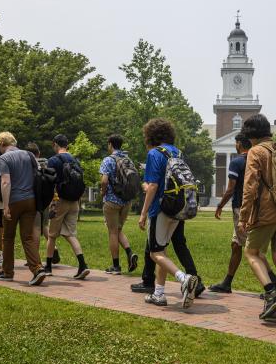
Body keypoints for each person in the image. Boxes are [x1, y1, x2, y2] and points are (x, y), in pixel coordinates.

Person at [237, 114, 276, 324]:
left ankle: (272, 294)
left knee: (251, 253)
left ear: (252, 135)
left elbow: (250, 186)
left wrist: (244, 216)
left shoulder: (257, 151)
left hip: (268, 211)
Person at [138, 118, 200, 308]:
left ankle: (184, 279)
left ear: (151, 135)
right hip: (178, 207)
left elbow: (153, 186)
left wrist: (143, 213)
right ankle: (159, 294)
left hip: (160, 208)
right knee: (162, 251)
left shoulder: (154, 154)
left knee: (155, 253)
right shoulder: (177, 152)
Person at [210, 133, 276, 294]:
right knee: (236, 245)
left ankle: (273, 285)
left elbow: (231, 188)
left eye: (236, 143)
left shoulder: (237, 162)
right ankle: (227, 283)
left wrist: (220, 205)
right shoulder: (258, 160)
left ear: (239, 144)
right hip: (258, 207)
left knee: (253, 249)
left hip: (242, 209)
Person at [0, 131, 48, 286]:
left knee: (8, 237)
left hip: (14, 201)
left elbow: (5, 183)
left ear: (2, 144)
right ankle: (37, 268)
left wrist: (5, 206)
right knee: (27, 237)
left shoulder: (4, 158)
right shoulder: (29, 155)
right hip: (31, 200)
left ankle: (8, 272)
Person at [45, 134, 90, 280]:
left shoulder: (53, 160)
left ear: (55, 144)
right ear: (67, 145)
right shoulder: (75, 160)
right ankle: (83, 265)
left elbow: (49, 183)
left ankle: (48, 267)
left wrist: (51, 203)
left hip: (61, 200)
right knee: (70, 234)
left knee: (52, 236)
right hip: (74, 202)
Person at [99, 134, 138, 274]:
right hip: (126, 201)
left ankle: (115, 266)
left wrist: (103, 193)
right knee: (118, 230)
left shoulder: (108, 160)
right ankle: (130, 253)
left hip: (112, 201)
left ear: (110, 144)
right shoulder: (127, 159)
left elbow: (104, 180)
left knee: (112, 233)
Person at [25, 142, 58, 258]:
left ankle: (35, 257)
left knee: (36, 228)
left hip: (33, 198)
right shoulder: (45, 163)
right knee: (45, 225)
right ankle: (54, 248)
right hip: (46, 199)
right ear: (38, 153)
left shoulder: (27, 164)